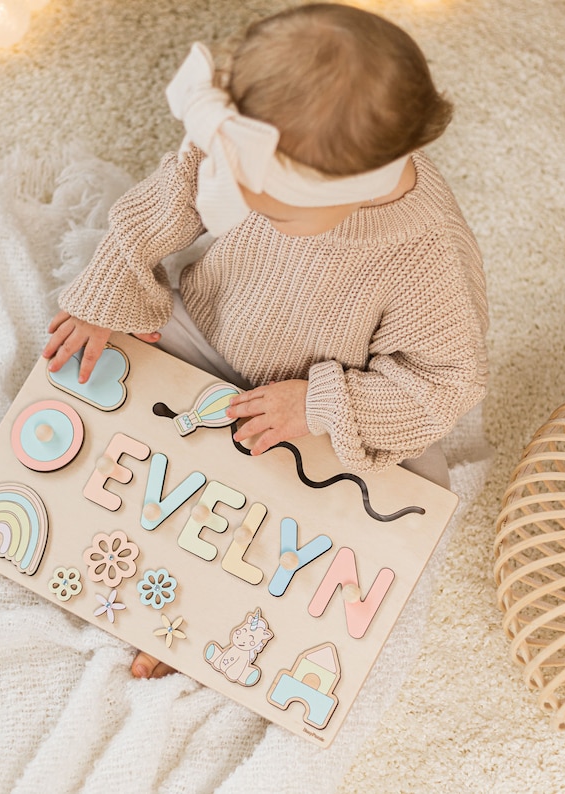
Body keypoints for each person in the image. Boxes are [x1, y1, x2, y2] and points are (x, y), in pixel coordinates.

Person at [43, 3, 488, 679]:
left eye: (269, 207)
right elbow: (173, 194)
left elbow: (444, 381)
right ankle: (135, 563)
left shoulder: (427, 255)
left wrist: (316, 406)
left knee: (355, 509)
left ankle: (200, 613)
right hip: (212, 324)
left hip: (327, 395)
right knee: (120, 421)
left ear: (351, 188)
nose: (241, 200)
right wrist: (111, 288)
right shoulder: (245, 140)